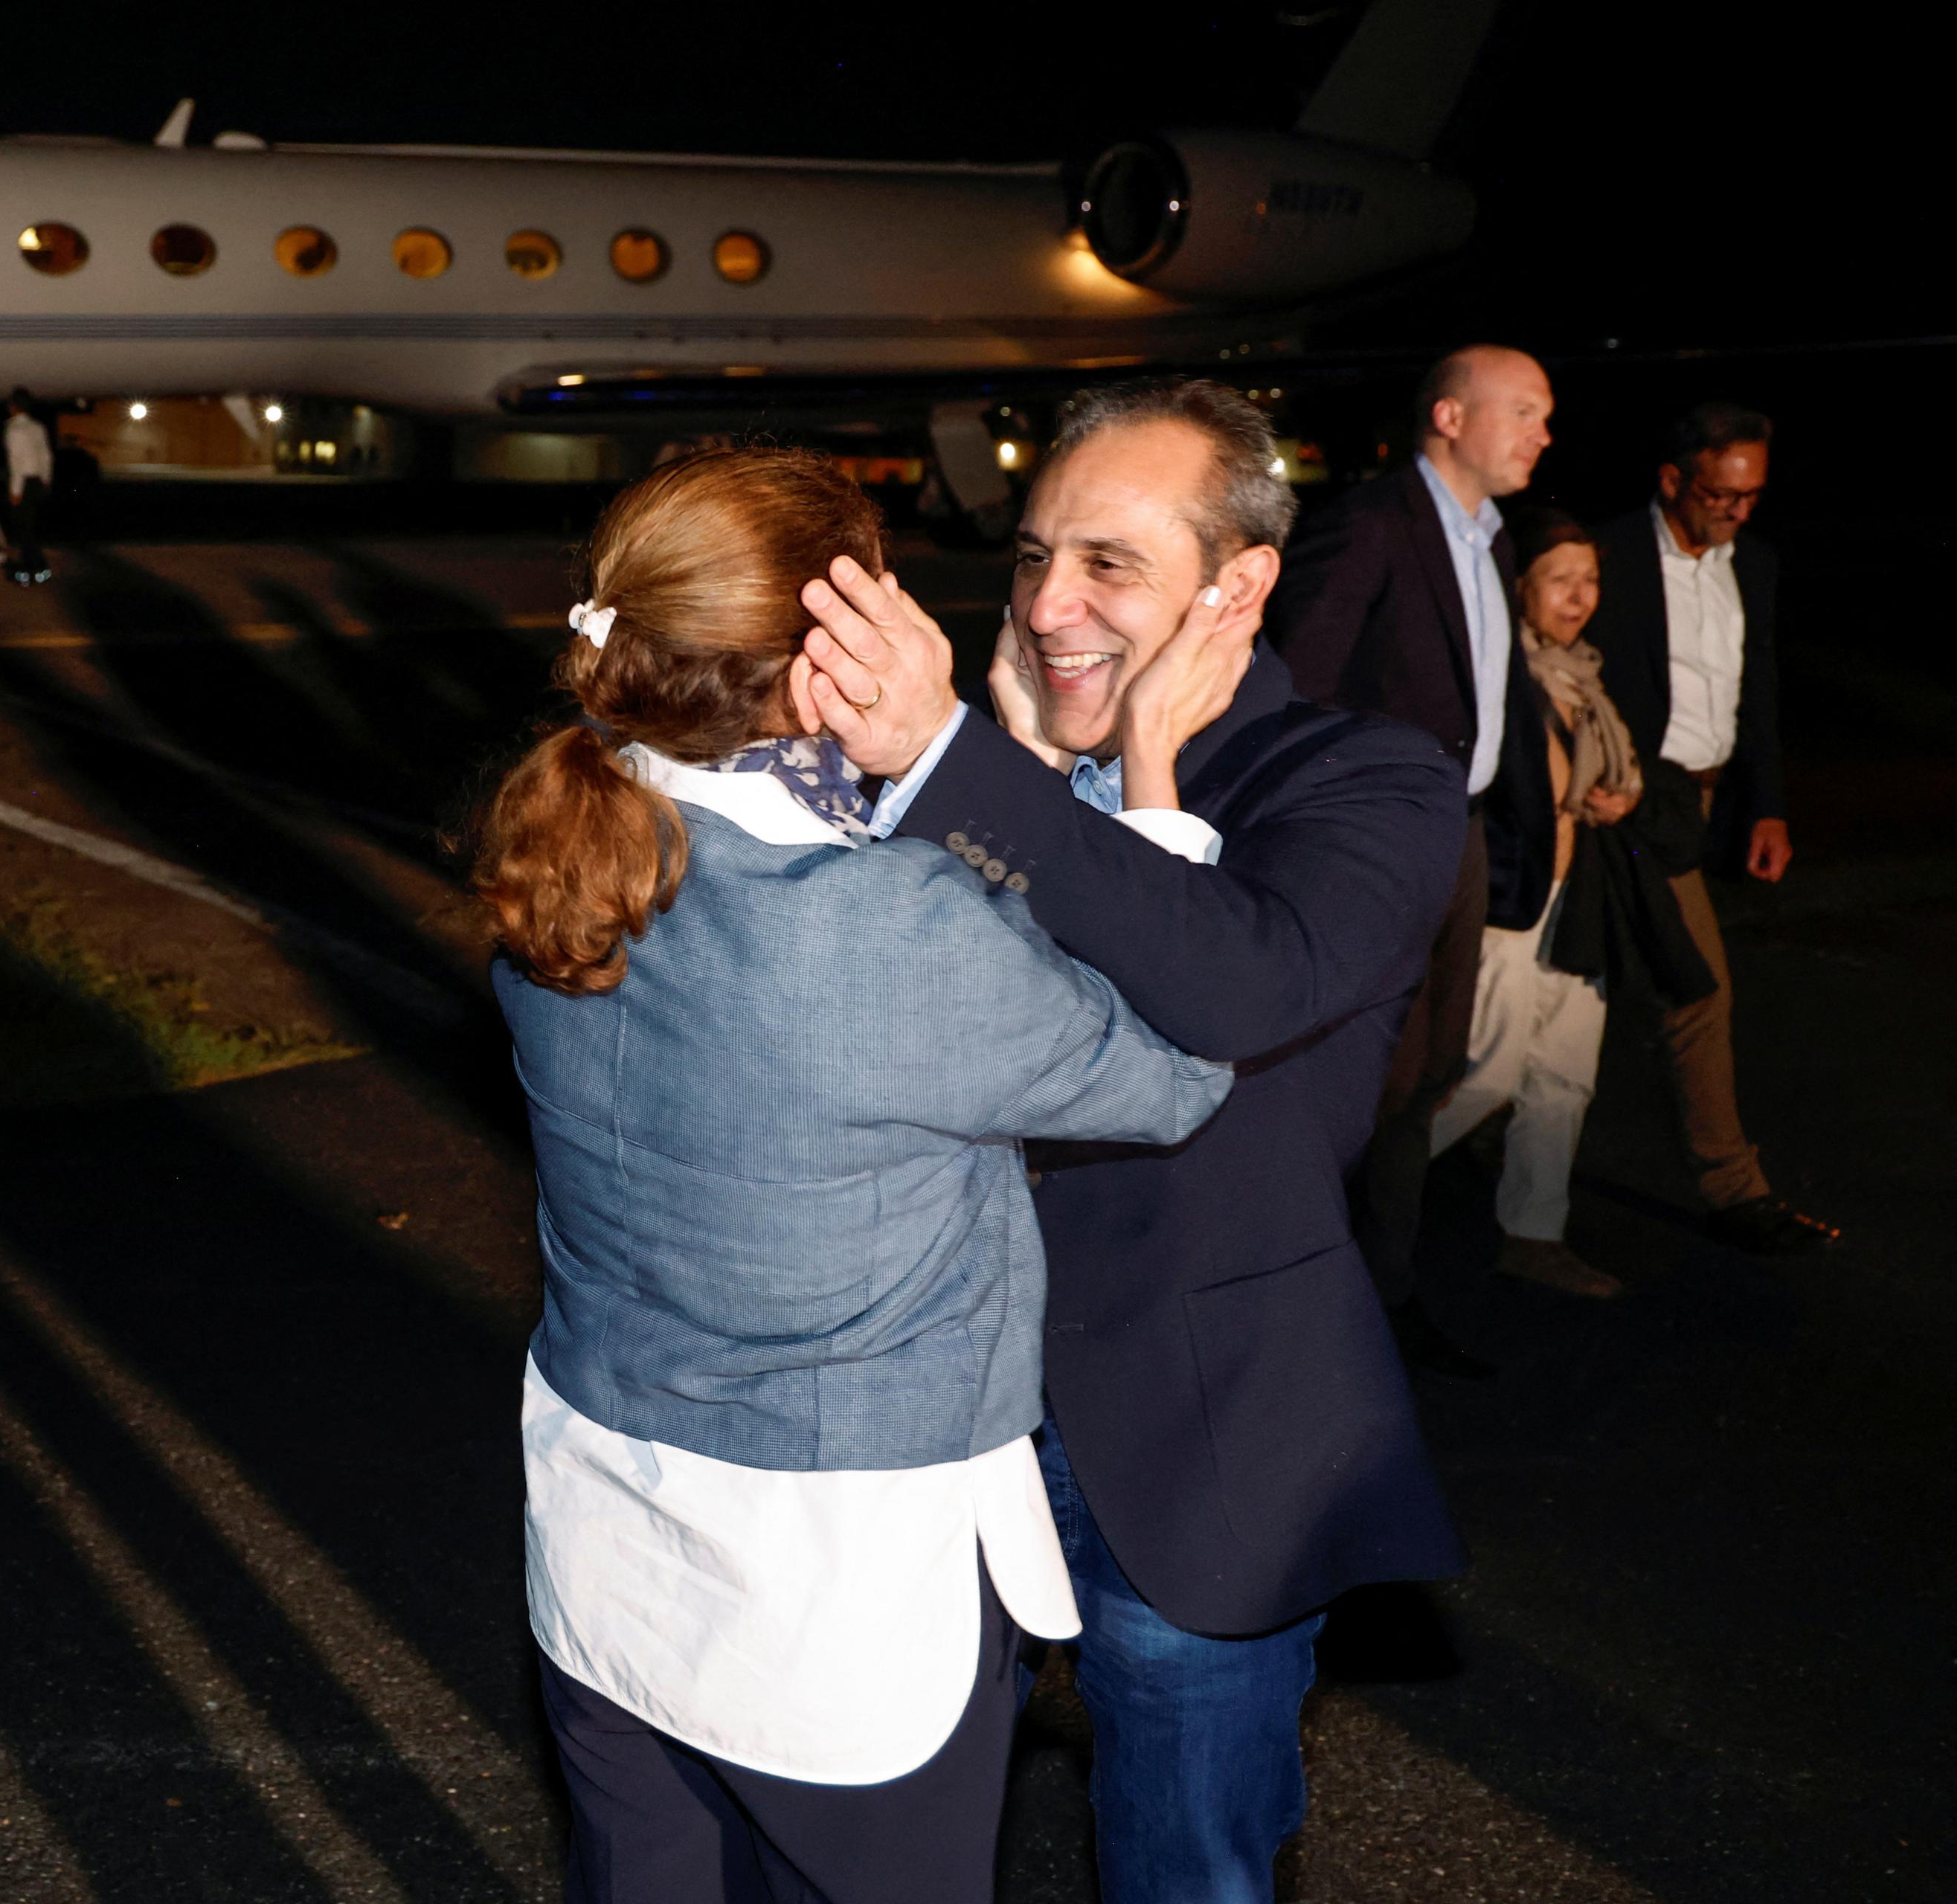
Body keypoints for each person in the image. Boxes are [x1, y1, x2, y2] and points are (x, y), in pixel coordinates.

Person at [478, 448, 1233, 1902]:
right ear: (831, 659)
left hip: (606, 1545)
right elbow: (1176, 1065)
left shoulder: (567, 847)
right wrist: (1137, 779)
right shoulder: (890, 929)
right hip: (825, 1605)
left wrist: (966, 776)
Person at [794, 377, 1469, 1904]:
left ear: (1239, 584)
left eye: (1110, 562)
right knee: (888, 1849)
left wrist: (983, 773)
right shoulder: (996, 787)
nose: (1048, 605)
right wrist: (1012, 780)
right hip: (938, 1425)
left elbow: (1226, 987)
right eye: (1033, 556)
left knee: (1186, 1872)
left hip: (1197, 1441)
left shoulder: (1368, 780)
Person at [1264, 343, 1560, 1378]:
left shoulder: (1491, 538)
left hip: (1460, 831)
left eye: (1544, 416)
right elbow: (1299, 686)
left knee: (1428, 1071)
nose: (1542, 433)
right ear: (1448, 415)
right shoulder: (1373, 522)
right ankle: (1308, 1301)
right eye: (1522, 412)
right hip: (1377, 840)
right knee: (1360, 1073)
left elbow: (1493, 696)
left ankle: (1381, 1298)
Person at [1578, 402, 1837, 1255]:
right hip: (1621, 802)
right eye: (1723, 495)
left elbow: (1754, 688)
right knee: (1693, 988)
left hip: (1703, 802)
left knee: (1589, 994)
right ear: (1673, 480)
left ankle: (1467, 1141)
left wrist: (1767, 805)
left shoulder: (1750, 563)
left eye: (1753, 495)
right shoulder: (1608, 556)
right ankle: (1736, 1189)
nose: (1739, 511)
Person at [1435, 508, 1648, 1298]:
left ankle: (1533, 1234)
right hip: (1510, 903)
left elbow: (1609, 776)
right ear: (1519, 585)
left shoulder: (1580, 673)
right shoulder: (1501, 677)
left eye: (1589, 579)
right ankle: (1343, 1207)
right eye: (1560, 578)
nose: (1579, 595)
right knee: (1484, 1075)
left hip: (1577, 897)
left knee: (1564, 1073)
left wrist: (1617, 800)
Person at [2, 388, 54, 585]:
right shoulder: (37, 427)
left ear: (13, 407)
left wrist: (15, 491)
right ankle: (40, 571)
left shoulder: (14, 430)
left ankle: (29, 570)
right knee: (32, 526)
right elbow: (46, 455)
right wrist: (46, 478)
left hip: (23, 481)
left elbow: (16, 463)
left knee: (23, 528)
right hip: (38, 480)